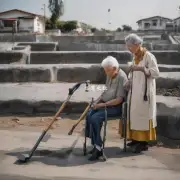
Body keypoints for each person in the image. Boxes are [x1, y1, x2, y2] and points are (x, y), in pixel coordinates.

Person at [85, 56, 128, 161]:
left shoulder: (122, 77)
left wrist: (101, 105)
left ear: (114, 68)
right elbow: (105, 92)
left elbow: (119, 99)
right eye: (105, 71)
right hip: (106, 104)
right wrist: (97, 102)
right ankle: (95, 145)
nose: (106, 73)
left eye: (107, 71)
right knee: (89, 114)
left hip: (116, 107)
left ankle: (98, 148)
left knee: (95, 118)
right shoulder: (110, 74)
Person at [124, 33, 159, 153]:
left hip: (144, 93)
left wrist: (142, 69)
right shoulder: (134, 57)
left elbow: (155, 72)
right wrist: (129, 80)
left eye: (130, 46)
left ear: (137, 44)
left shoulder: (148, 56)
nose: (128, 48)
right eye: (127, 46)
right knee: (135, 115)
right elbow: (132, 72)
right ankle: (135, 139)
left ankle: (143, 143)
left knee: (143, 117)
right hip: (134, 92)